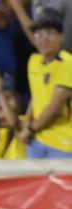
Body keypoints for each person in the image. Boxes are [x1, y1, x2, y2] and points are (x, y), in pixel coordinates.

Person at [19, 8, 72, 158]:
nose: (43, 39)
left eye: (49, 33)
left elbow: (55, 108)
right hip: (36, 141)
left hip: (64, 144)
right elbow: (36, 97)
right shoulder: (33, 61)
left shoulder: (68, 63)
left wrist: (30, 128)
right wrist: (26, 124)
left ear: (61, 37)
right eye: (38, 34)